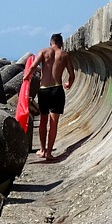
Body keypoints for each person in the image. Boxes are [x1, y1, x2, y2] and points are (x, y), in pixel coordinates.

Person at [29, 33, 75, 161]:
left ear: (51, 42)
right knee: (53, 123)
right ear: (61, 43)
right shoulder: (64, 55)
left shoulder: (44, 52)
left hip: (43, 90)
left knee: (43, 120)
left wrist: (26, 78)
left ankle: (42, 150)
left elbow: (33, 67)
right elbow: (72, 75)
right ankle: (49, 153)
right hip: (57, 89)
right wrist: (69, 84)